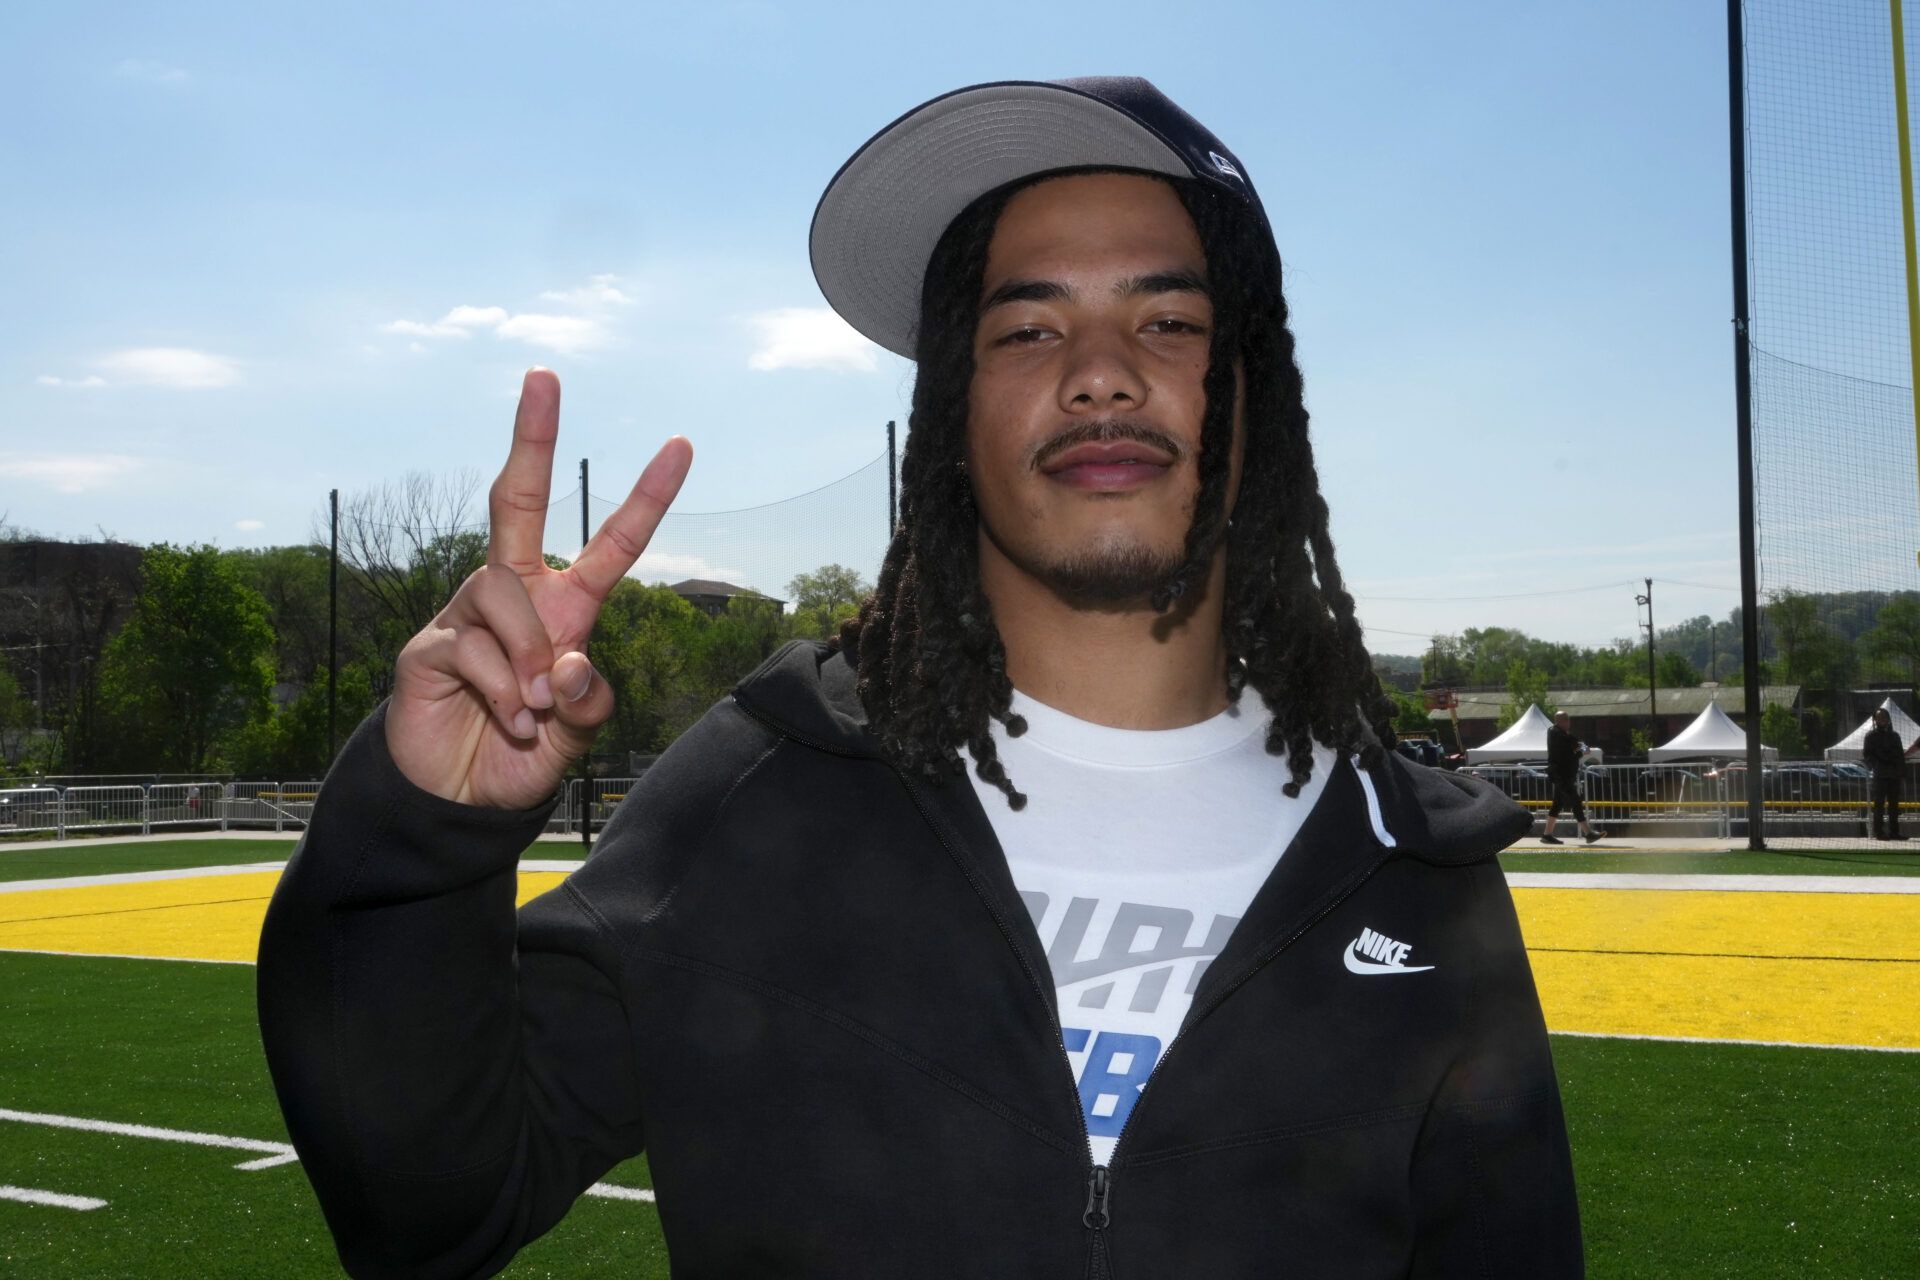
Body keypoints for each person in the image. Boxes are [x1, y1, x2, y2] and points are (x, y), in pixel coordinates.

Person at [258, 77, 1582, 1277]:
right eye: (1028, 331)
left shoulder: (1410, 863)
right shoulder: (766, 789)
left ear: (1255, 395)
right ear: (950, 415)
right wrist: (422, 836)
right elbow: (427, 1208)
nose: (1101, 375)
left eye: (1169, 320)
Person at [1540, 710, 1603, 845]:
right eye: (1567, 719)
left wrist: (1579, 748)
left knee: (1557, 804)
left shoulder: (1562, 734)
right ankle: (1588, 833)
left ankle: (1547, 834)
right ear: (1560, 721)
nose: (1569, 722)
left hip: (1564, 775)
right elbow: (1578, 749)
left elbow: (1581, 747)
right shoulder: (1557, 734)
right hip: (1561, 776)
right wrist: (1579, 750)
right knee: (1575, 801)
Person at [1863, 706, 1906, 841]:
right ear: (1875, 720)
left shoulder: (1895, 736)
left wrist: (1901, 771)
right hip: (1880, 774)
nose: (1882, 720)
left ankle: (1894, 832)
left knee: (1894, 805)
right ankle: (1879, 832)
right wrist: (1876, 765)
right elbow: (1867, 755)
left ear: (1888, 719)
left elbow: (1900, 755)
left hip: (1894, 774)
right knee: (1879, 805)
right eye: (1879, 718)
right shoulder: (1870, 736)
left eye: (1884, 717)